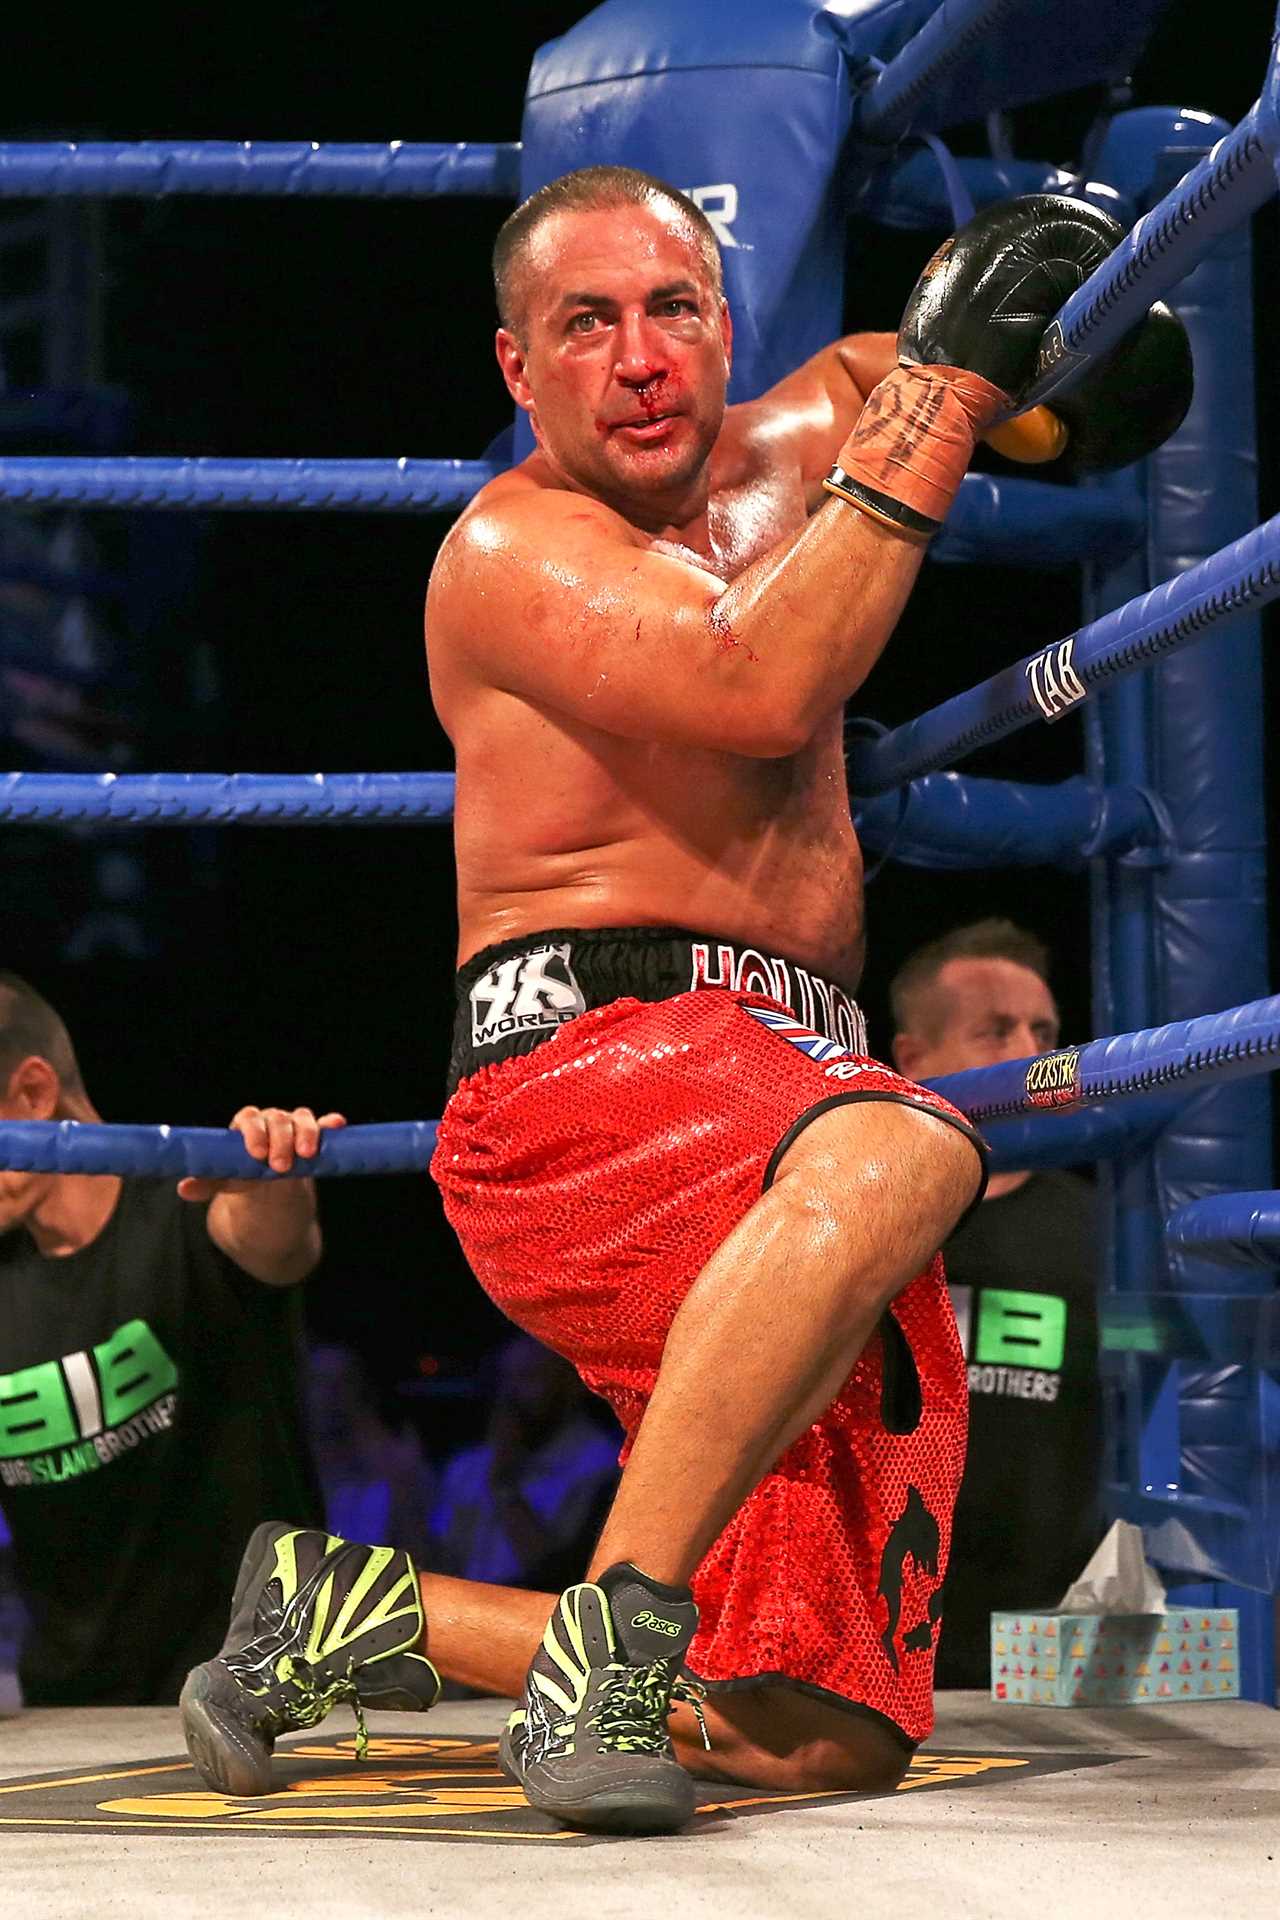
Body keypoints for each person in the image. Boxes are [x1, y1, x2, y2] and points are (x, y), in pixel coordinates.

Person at [182, 168, 1189, 1833]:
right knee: (913, 1154)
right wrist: (944, 395)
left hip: (784, 1089)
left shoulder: (829, 427)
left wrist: (1067, 356)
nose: (641, 358)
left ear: (727, 327)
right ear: (520, 369)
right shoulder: (508, 551)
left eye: (673, 310)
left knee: (828, 1729)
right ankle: (616, 1638)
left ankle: (351, 1615)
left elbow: (1049, 402)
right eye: (588, 324)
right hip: (584, 1075)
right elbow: (760, 675)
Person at [0, 970, 336, 1705]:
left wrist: (275, 1163)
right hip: (71, 1719)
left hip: (264, 1695)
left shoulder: (193, 1202)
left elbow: (273, 1238)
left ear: (32, 1094)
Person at [889, 919, 1103, 1688]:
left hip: (1047, 1650)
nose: (1029, 1053)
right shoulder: (856, 1220)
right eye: (994, 1030)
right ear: (913, 1059)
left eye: (1043, 1029)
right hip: (871, 1630)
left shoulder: (1106, 1230)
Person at [431, 1334, 620, 1590]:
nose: (510, 1395)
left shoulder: (600, 1464)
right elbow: (441, 1562)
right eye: (505, 1379)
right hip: (465, 1617)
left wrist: (503, 1486)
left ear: (571, 1384)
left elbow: (558, 1574)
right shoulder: (470, 1464)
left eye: (528, 1377)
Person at [308, 1343, 436, 1569]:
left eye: (341, 1384)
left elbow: (423, 1557)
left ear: (360, 1391)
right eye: (320, 1383)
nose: (330, 1395)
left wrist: (402, 1485)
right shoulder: (289, 1468)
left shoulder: (397, 1466)